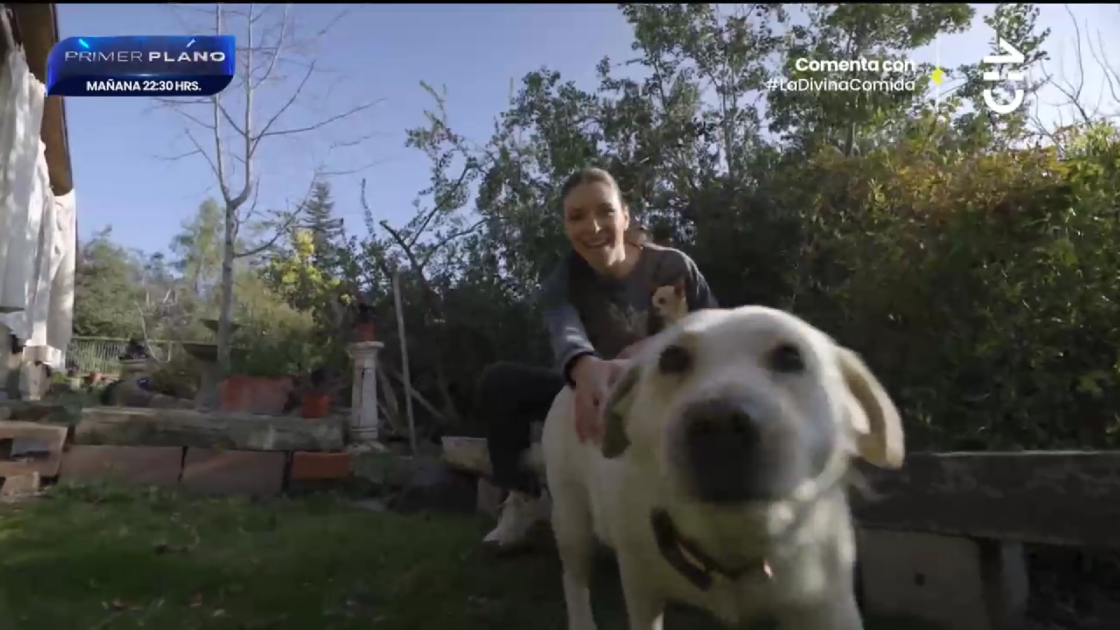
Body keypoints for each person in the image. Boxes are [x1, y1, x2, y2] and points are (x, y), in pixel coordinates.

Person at [478, 166, 718, 549]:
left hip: (666, 386)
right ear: (565, 226)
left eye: (604, 211)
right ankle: (523, 498)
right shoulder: (564, 278)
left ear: (625, 215)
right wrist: (584, 365)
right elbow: (564, 329)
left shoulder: (672, 266)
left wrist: (651, 353)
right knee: (499, 381)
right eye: (577, 217)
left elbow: (715, 330)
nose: (592, 227)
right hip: (589, 384)